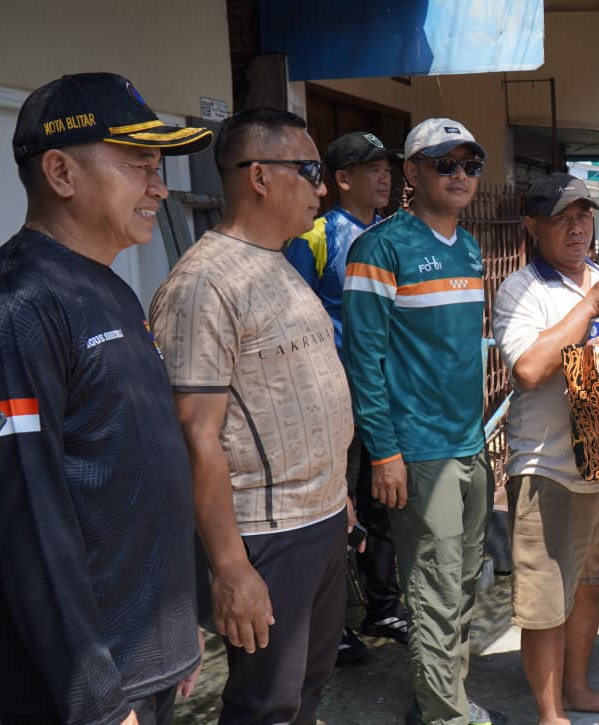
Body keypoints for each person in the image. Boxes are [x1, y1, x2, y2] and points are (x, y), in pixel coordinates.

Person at [0, 72, 210, 724]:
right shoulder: (13, 305)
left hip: (145, 659)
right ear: (61, 172)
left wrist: (180, 628)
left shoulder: (112, 287)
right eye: (139, 165)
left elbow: (140, 463)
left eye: (159, 166)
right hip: (81, 688)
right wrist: (97, 701)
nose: (159, 185)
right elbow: (30, 522)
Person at [150, 107, 354, 723]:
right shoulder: (204, 284)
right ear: (259, 176)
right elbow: (195, 435)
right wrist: (232, 568)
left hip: (318, 518)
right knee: (266, 704)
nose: (321, 187)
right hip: (266, 532)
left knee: (308, 688)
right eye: (311, 169)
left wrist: (339, 501)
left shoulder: (281, 262)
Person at [342, 118, 506, 725]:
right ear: (412, 173)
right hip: (418, 450)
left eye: (470, 164)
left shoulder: (466, 244)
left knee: (463, 581)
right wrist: (384, 454)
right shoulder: (380, 248)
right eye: (445, 163)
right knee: (433, 588)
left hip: (469, 443)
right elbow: (364, 359)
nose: (460, 175)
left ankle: (444, 697)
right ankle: (447, 716)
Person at [492, 173, 599, 725]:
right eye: (562, 216)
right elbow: (529, 369)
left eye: (584, 214)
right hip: (546, 469)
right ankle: (550, 713)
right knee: (545, 603)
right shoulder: (521, 290)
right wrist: (588, 308)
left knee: (588, 588)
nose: (578, 226)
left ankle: (577, 689)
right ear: (533, 227)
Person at [284, 131, 412, 664]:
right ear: (341, 179)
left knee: (384, 504)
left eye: (387, 168)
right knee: (338, 511)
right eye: (372, 168)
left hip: (384, 395)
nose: (385, 177)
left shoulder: (393, 235)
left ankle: (383, 605)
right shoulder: (316, 235)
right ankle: (330, 623)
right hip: (333, 397)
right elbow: (290, 313)